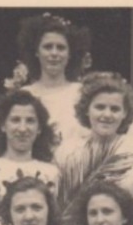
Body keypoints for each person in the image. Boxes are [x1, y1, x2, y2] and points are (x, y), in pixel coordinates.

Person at [17, 12, 91, 153]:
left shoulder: (82, 93)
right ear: (36, 52)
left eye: (61, 47)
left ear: (70, 54)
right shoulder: (25, 94)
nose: (54, 53)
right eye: (48, 47)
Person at [0, 91, 61, 193]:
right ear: (3, 125)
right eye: (15, 120)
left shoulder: (51, 173)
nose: (22, 129)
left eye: (30, 121)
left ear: (39, 128)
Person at [57, 71, 133, 169]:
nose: (107, 114)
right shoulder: (68, 151)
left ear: (125, 113)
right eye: (100, 107)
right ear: (86, 109)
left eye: (115, 109)